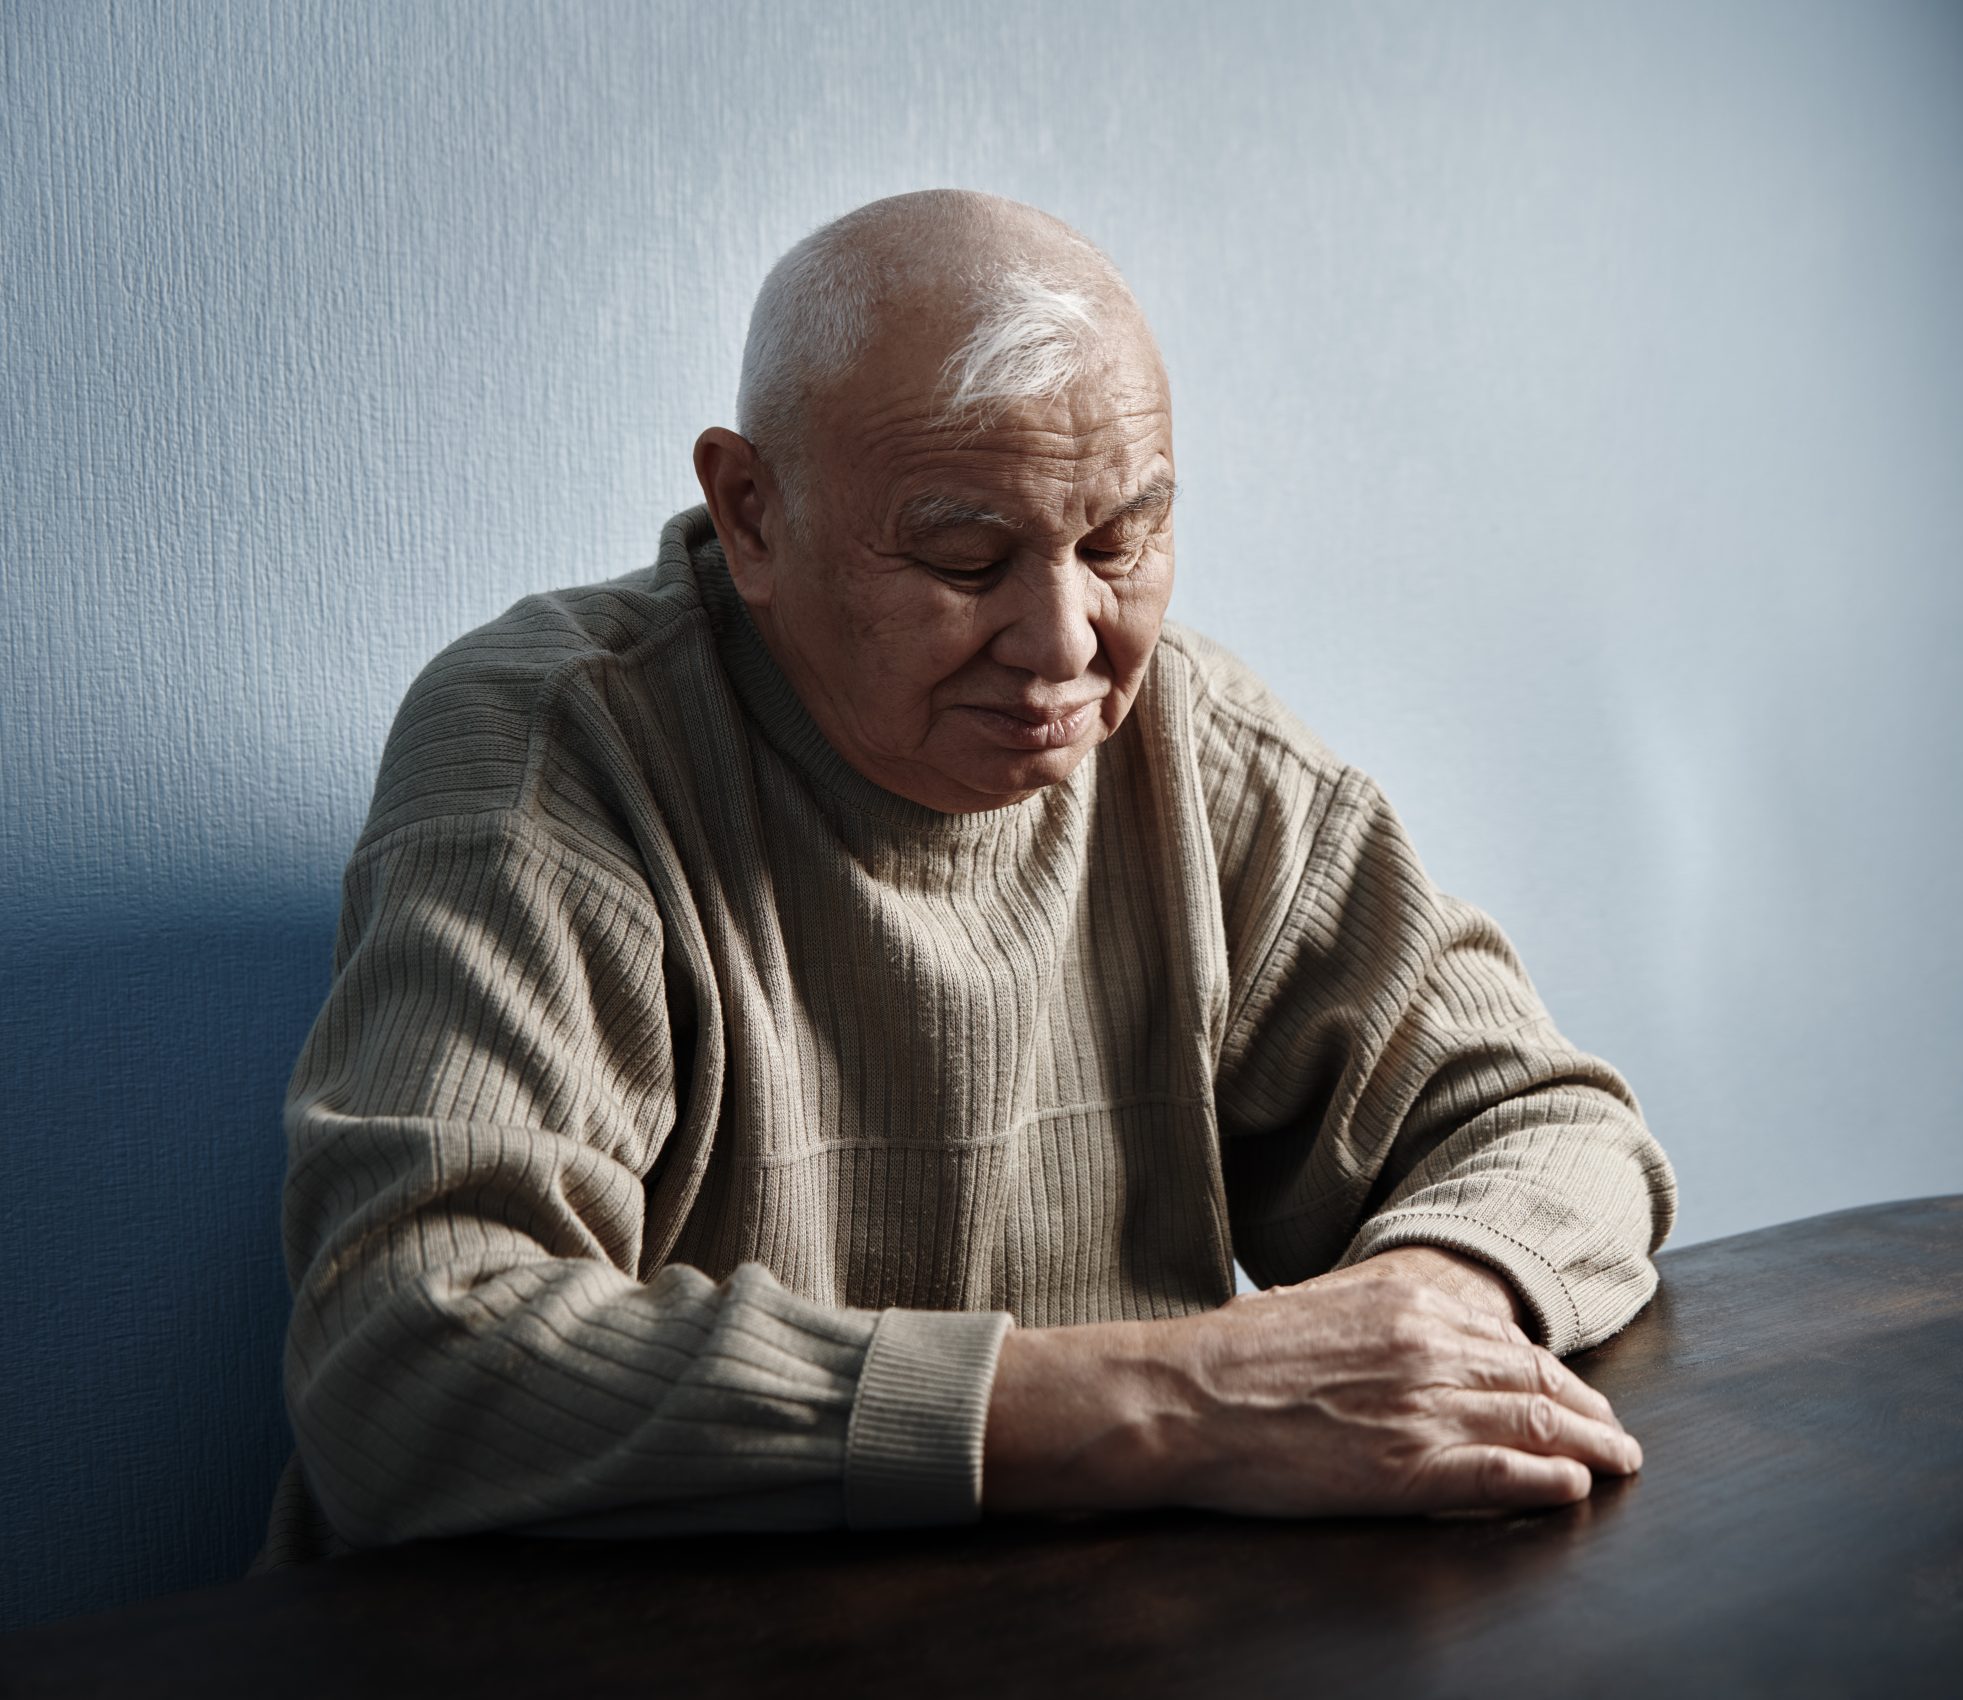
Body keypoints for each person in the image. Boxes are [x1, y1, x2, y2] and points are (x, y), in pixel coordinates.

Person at [253, 189, 1678, 1565]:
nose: (1066, 644)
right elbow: (406, 1357)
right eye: (965, 556)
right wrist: (1179, 1401)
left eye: (1120, 540)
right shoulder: (556, 752)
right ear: (751, 513)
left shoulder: (1193, 747)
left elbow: (1553, 1128)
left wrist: (1411, 1330)